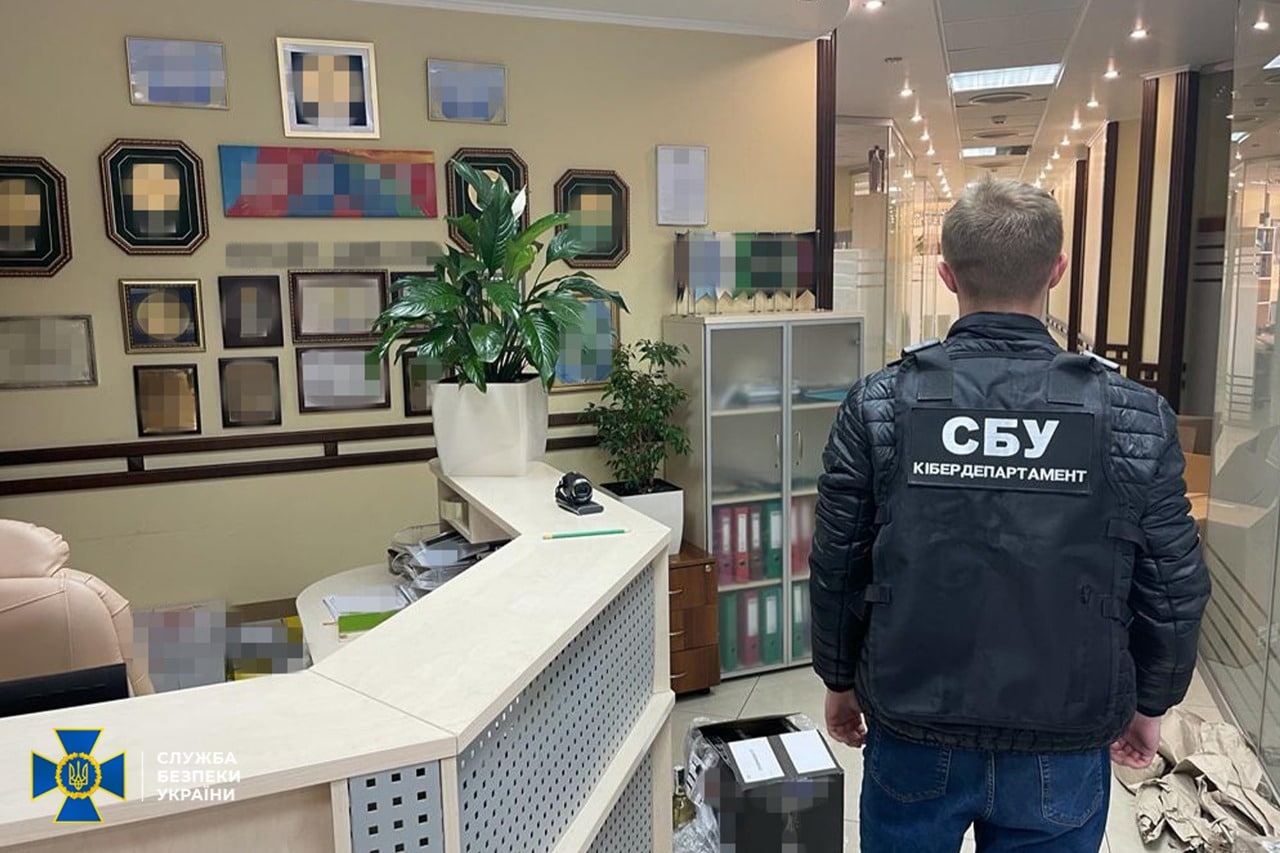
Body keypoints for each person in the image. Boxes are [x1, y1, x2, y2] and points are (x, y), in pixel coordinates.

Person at [809, 177, 1211, 852]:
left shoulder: (880, 404)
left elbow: (837, 562)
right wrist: (1151, 704)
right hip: (1063, 736)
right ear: (1057, 271)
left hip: (915, 725)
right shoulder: (1132, 416)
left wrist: (838, 679)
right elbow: (1174, 585)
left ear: (946, 275)